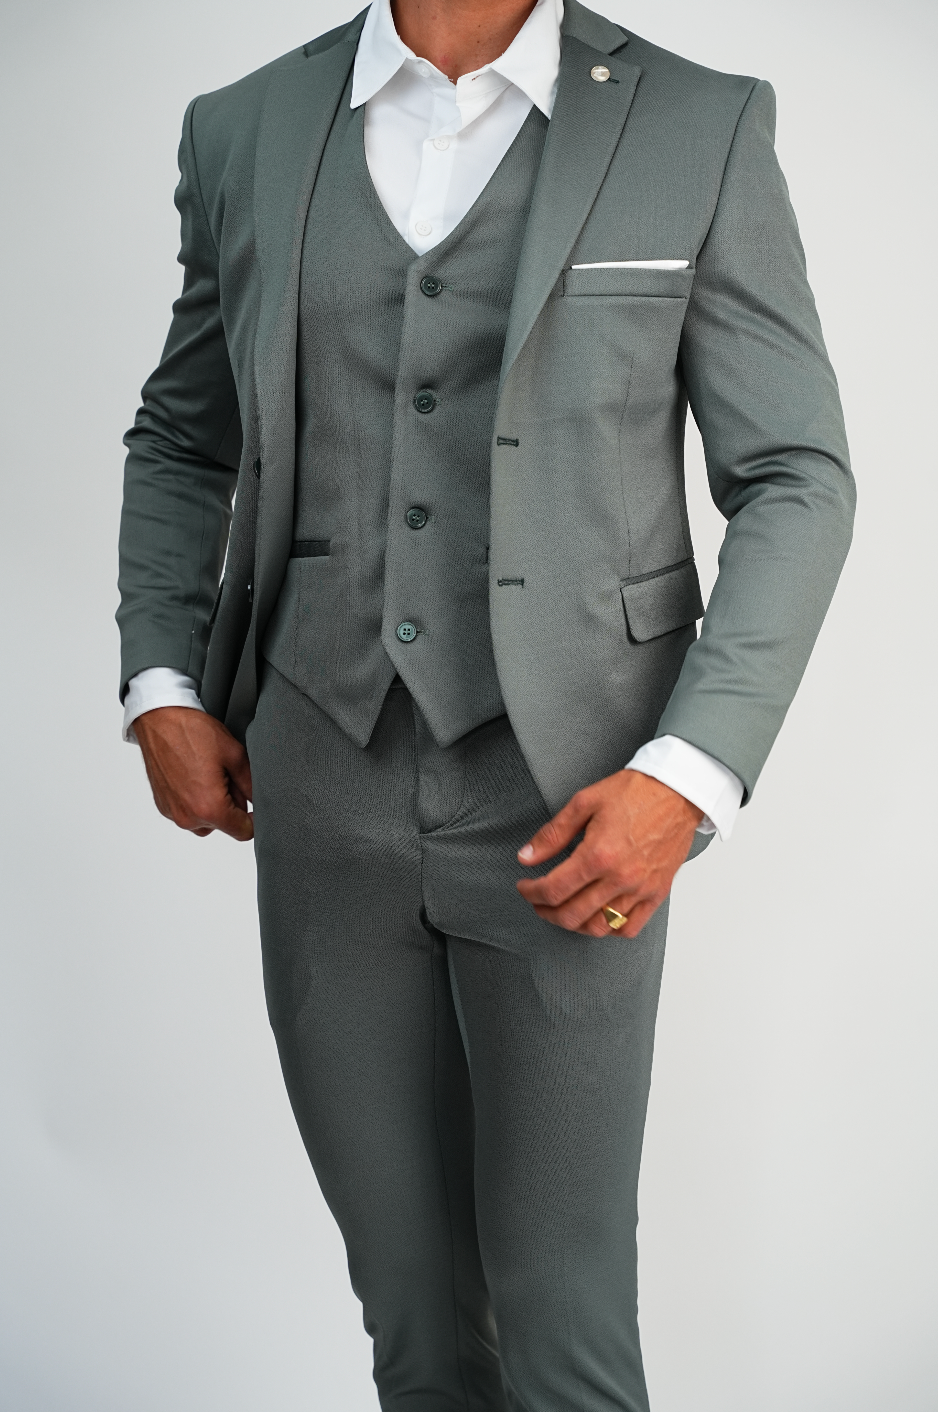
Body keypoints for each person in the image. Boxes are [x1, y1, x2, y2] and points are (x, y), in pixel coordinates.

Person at [116, 0, 854, 1406]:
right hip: (317, 773)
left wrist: (688, 774)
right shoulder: (243, 127)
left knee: (563, 1322)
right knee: (413, 1316)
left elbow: (795, 476)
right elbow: (182, 435)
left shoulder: (698, 122)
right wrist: (160, 677)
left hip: (576, 798)